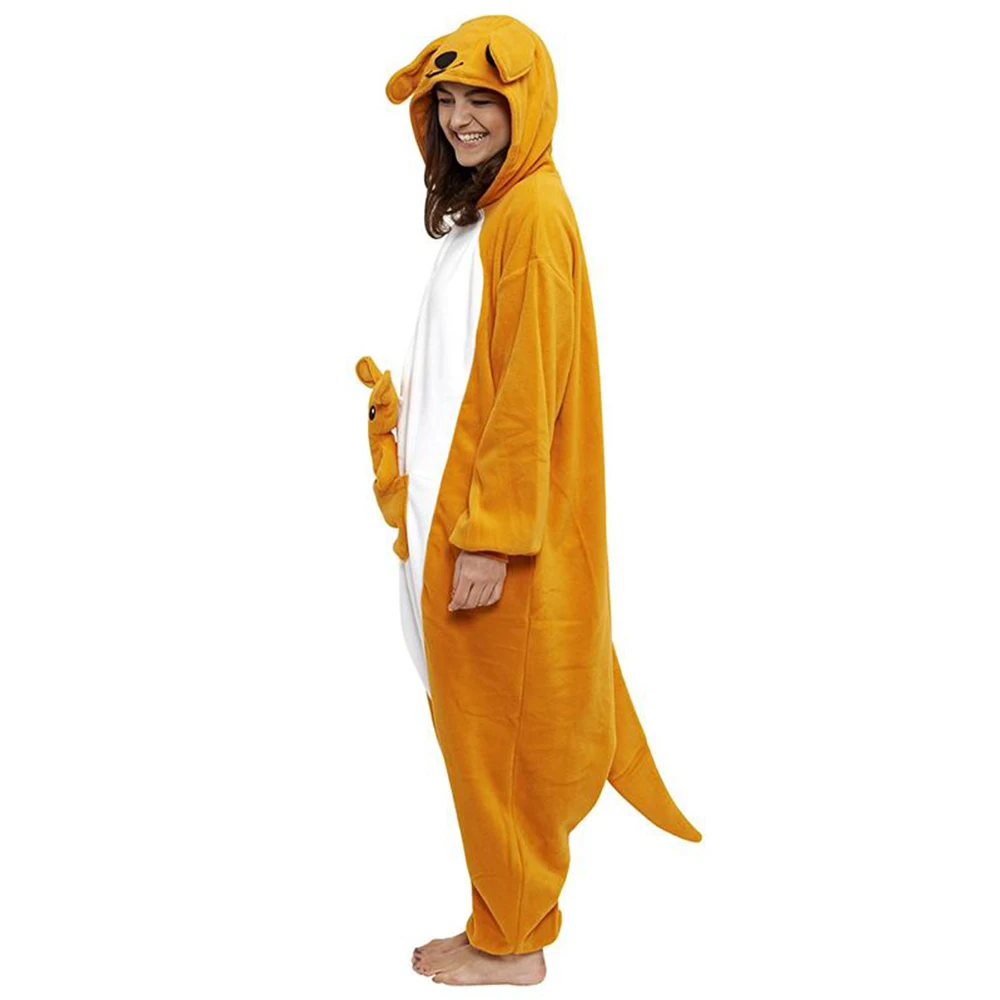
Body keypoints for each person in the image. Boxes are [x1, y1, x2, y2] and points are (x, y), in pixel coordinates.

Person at [379, 15, 702, 987]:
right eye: (448, 99)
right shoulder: (489, 215)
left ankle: (514, 942)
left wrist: (491, 536)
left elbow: (528, 392)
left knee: (501, 744)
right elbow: (464, 377)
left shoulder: (533, 217)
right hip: (446, 526)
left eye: (483, 99)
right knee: (474, 735)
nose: (462, 118)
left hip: (488, 540)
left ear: (527, 103)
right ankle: (498, 917)